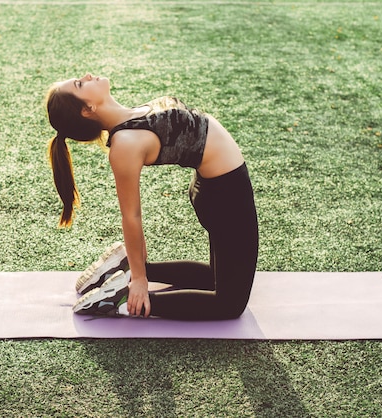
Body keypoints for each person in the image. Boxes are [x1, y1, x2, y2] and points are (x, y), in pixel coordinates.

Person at [45, 73, 258, 320]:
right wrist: (139, 280)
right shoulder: (124, 144)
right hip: (227, 197)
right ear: (88, 109)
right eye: (80, 84)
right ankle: (123, 299)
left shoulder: (129, 115)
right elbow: (131, 215)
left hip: (218, 189)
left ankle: (122, 268)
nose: (87, 76)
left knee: (217, 278)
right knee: (229, 305)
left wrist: (140, 271)